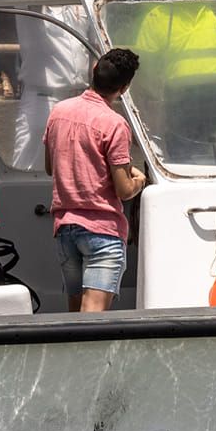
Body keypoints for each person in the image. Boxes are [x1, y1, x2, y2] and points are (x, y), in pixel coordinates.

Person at [44, 48, 146, 312]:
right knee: (93, 320)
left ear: (94, 71)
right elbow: (123, 190)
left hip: (65, 228)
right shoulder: (115, 124)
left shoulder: (59, 112)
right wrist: (139, 180)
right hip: (102, 231)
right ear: (124, 88)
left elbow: (49, 166)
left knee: (75, 315)